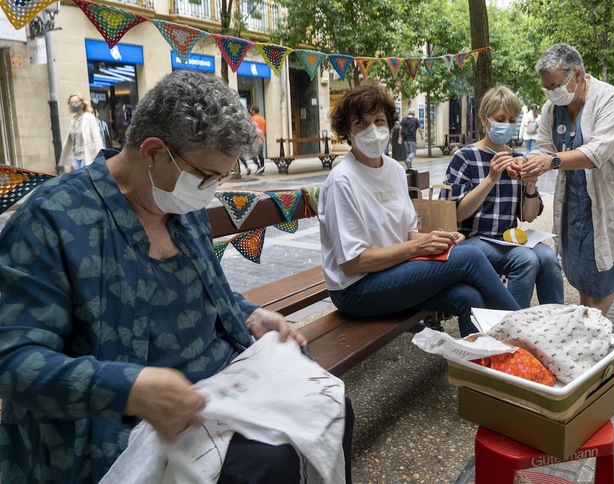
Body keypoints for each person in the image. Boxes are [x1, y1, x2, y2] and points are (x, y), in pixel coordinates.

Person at [0, 70, 353, 483]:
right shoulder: (52, 220)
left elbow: (208, 291)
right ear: (152, 152)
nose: (210, 190)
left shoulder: (182, 209)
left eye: (221, 178)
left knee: (330, 405)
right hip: (123, 425)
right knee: (264, 463)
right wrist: (129, 389)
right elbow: (14, 360)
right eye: (205, 176)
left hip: (219, 389)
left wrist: (252, 316)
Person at [318, 84, 520, 338]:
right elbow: (352, 263)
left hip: (393, 271)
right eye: (361, 123)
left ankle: (482, 368)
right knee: (471, 258)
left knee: (469, 295)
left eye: (379, 120)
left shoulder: (393, 169)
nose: (373, 130)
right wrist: (417, 248)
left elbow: (407, 232)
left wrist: (436, 239)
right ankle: (530, 332)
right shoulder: (342, 181)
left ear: (390, 124)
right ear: (347, 131)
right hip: (355, 290)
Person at [521, 43, 614, 317]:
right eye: (546, 88)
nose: (551, 93)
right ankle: (590, 320)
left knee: (608, 265)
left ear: (578, 74)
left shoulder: (610, 98)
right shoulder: (551, 109)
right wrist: (529, 162)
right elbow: (544, 146)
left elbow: (598, 152)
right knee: (583, 265)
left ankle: (594, 323)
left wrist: (551, 161)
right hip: (576, 197)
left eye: (555, 85)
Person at [445, 86, 564, 309]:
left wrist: (529, 186)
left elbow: (528, 217)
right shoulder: (465, 157)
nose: (507, 124)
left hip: (508, 238)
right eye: (500, 118)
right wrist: (491, 178)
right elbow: (458, 214)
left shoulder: (518, 159)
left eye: (512, 119)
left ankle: (557, 326)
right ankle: (510, 329)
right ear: (484, 119)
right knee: (526, 259)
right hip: (472, 240)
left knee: (548, 258)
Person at [59, 93, 104, 171]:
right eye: (71, 102)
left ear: (82, 104)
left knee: (85, 181)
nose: (73, 104)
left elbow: (97, 140)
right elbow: (72, 142)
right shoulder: (73, 120)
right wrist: (70, 161)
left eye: (76, 102)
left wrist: (101, 159)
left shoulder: (89, 118)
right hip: (76, 159)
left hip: (86, 158)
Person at [249, 104, 267, 175]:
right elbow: (264, 129)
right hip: (261, 139)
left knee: (252, 154)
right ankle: (262, 167)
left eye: (251, 109)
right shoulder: (262, 119)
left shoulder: (252, 119)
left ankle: (259, 166)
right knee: (260, 154)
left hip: (255, 139)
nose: (250, 110)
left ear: (253, 111)